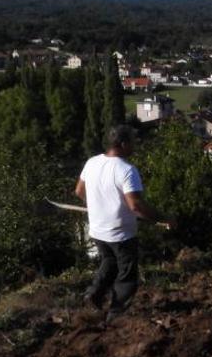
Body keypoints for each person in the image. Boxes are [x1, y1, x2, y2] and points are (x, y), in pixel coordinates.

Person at [74, 125, 174, 322]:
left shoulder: (92, 162)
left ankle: (93, 294)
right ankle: (116, 314)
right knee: (127, 275)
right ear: (123, 144)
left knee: (109, 262)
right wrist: (164, 218)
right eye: (132, 142)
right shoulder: (127, 170)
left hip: (98, 230)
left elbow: (79, 191)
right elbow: (135, 206)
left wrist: (96, 206)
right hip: (121, 234)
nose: (135, 145)